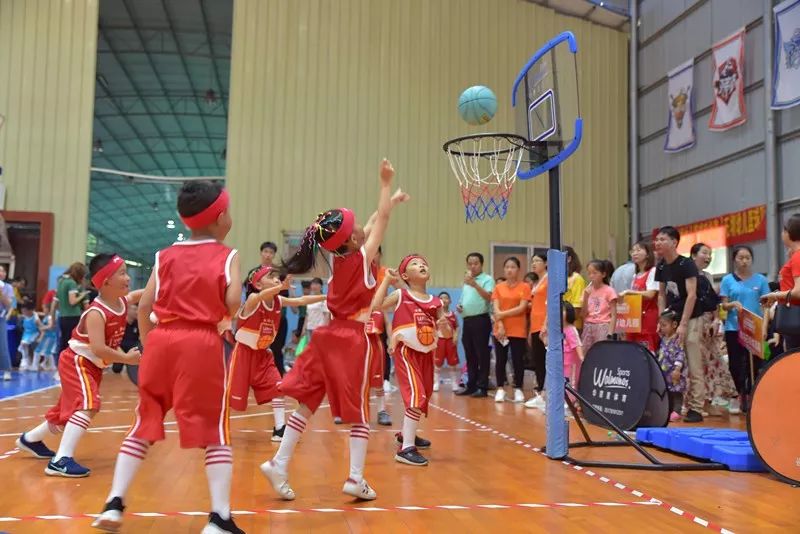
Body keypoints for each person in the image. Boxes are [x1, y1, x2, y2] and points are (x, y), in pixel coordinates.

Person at [91, 182, 244, 534]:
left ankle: (114, 502)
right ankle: (219, 518)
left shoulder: (164, 255)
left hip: (160, 341)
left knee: (144, 420)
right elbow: (234, 298)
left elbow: (144, 305)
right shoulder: (228, 256)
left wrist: (148, 344)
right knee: (216, 430)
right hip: (200, 342)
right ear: (222, 218)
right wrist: (224, 313)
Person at [261, 159, 408, 502]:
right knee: (359, 411)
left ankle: (279, 463)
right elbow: (380, 220)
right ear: (352, 240)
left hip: (326, 338)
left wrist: (393, 199)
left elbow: (374, 221)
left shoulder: (340, 262)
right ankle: (356, 477)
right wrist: (385, 184)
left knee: (308, 404)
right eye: (357, 228)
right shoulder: (362, 259)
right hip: (350, 341)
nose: (362, 228)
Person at [16, 253, 143, 477]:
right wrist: (126, 359)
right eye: (122, 273)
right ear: (105, 281)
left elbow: (137, 295)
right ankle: (61, 460)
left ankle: (30, 439)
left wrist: (163, 284)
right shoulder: (96, 313)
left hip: (92, 365)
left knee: (65, 414)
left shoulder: (121, 302)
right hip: (78, 362)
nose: (128, 278)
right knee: (88, 405)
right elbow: (99, 349)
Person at [231, 266, 325, 442]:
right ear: (258, 284)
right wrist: (280, 287)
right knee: (229, 395)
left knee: (278, 388)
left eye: (276, 277)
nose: (276, 279)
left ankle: (279, 428)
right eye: (271, 277)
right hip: (243, 354)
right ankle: (213, 425)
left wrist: (328, 297)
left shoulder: (278, 301)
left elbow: (302, 300)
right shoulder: (253, 299)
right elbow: (259, 296)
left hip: (263, 355)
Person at [373, 255, 449, 466]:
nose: (422, 265)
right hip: (407, 352)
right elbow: (376, 307)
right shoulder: (401, 294)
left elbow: (447, 334)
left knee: (424, 396)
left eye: (424, 262)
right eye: (415, 264)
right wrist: (387, 281)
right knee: (416, 395)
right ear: (405, 275)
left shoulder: (436, 302)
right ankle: (405, 448)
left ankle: (407, 433)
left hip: (426, 353)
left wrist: (444, 326)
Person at [654, 226, 705, 423]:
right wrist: (662, 321)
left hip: (691, 317)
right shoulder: (660, 266)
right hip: (673, 318)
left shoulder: (686, 264)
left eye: (662, 239)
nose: (657, 243)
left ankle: (696, 407)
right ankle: (674, 404)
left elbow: (692, 295)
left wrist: (683, 324)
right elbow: (661, 294)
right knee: (669, 360)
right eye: (656, 239)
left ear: (674, 242)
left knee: (693, 361)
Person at [719, 245, 770, 414]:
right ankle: (740, 391)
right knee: (735, 363)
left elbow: (766, 306)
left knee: (754, 364)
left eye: (747, 257)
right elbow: (723, 306)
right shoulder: (727, 280)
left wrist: (764, 327)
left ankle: (750, 393)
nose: (744, 261)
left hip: (754, 328)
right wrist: (732, 304)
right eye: (741, 257)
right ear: (734, 259)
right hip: (734, 327)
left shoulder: (760, 280)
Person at [491, 257, 531, 404]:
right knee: (500, 360)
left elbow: (522, 307)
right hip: (500, 329)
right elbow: (496, 308)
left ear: (518, 270)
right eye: (507, 267)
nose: (509, 270)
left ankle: (518, 389)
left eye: (513, 267)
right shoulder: (498, 287)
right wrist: (500, 323)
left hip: (518, 328)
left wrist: (502, 314)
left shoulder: (525, 287)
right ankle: (500, 388)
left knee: (517, 360)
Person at [456, 252, 495, 398]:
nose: (472, 266)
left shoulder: (487, 279)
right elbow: (463, 299)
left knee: (482, 354)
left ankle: (482, 386)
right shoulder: (466, 281)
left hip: (481, 320)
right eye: (470, 263)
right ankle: (471, 385)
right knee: (470, 354)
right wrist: (460, 306)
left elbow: (489, 297)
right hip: (467, 320)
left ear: (481, 264)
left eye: (476, 263)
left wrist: (475, 284)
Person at [762, 213, 800, 351]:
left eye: (783, 230)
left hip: (795, 319)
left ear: (789, 232)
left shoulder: (797, 257)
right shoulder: (795, 256)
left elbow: (798, 292)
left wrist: (775, 296)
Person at [621, 241, 660, 352]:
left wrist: (629, 292)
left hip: (648, 318)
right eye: (633, 251)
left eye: (638, 250)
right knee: (632, 351)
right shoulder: (635, 276)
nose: (634, 253)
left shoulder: (653, 271)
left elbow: (650, 294)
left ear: (648, 254)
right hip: (634, 320)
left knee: (647, 352)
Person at [524, 252, 549, 410]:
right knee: (538, 361)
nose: (534, 264)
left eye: (537, 261)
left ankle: (545, 394)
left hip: (544, 325)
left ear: (546, 263)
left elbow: (550, 304)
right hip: (534, 324)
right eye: (532, 261)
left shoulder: (549, 279)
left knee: (545, 361)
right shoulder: (537, 282)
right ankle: (541, 393)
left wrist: (546, 324)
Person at [581, 260, 618, 354]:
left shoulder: (609, 291)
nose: (591, 276)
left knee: (602, 353)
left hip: (603, 325)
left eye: (595, 273)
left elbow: (613, 315)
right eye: (589, 273)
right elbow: (583, 314)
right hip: (588, 325)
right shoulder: (587, 290)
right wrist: (585, 297)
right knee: (586, 353)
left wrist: (610, 333)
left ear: (603, 274)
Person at [657, 310, 687, 422]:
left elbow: (680, 353)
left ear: (674, 325)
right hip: (664, 370)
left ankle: (677, 411)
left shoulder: (678, 339)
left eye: (664, 325)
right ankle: (669, 410)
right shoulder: (663, 339)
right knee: (668, 392)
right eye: (661, 325)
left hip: (674, 371)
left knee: (676, 391)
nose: (662, 328)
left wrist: (678, 368)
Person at [56, 263, 90, 356]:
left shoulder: (61, 281)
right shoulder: (72, 283)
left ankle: (60, 364)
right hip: (73, 316)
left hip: (62, 316)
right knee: (72, 343)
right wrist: (82, 295)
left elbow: (56, 302)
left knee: (63, 342)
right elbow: (72, 301)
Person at [434, 291, 459, 392]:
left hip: (450, 341)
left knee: (452, 363)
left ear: (450, 301)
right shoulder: (436, 315)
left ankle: (454, 383)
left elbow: (457, 327)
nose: (444, 300)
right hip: (439, 341)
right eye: (441, 298)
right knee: (437, 363)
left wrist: (456, 336)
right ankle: (436, 382)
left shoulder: (453, 314)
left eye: (446, 298)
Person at [562, 246, 586, 329]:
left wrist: (566, 323)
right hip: (559, 325)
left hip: (572, 326)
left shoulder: (577, 278)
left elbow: (577, 307)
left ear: (568, 259)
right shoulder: (558, 278)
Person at [34, 299, 59, 371]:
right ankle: (48, 365)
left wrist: (42, 327)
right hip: (48, 336)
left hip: (50, 336)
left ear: (48, 309)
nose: (43, 310)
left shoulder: (51, 316)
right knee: (46, 351)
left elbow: (51, 326)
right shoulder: (49, 315)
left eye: (44, 308)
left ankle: (51, 366)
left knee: (46, 351)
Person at [17, 303, 42, 370]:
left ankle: (33, 363)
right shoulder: (24, 316)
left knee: (28, 345)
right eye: (22, 311)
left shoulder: (35, 318)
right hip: (26, 334)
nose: (23, 313)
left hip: (34, 333)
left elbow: (41, 328)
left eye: (25, 311)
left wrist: (40, 337)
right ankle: (26, 361)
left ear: (30, 311)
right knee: (23, 344)